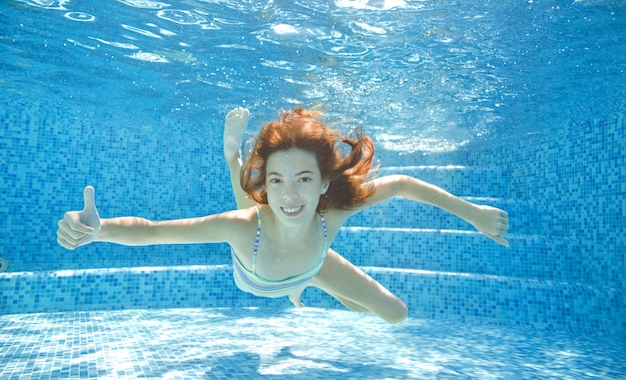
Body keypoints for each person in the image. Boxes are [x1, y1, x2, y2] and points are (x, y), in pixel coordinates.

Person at [57, 106, 509, 324]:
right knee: (248, 209)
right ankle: (233, 156)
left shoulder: (334, 211)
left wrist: (475, 215)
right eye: (277, 179)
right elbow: (154, 232)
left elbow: (403, 185)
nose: (290, 194)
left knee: (395, 314)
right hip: (256, 264)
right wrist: (100, 230)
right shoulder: (246, 224)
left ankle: (308, 281)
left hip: (311, 261)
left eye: (305, 180)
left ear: (325, 183)